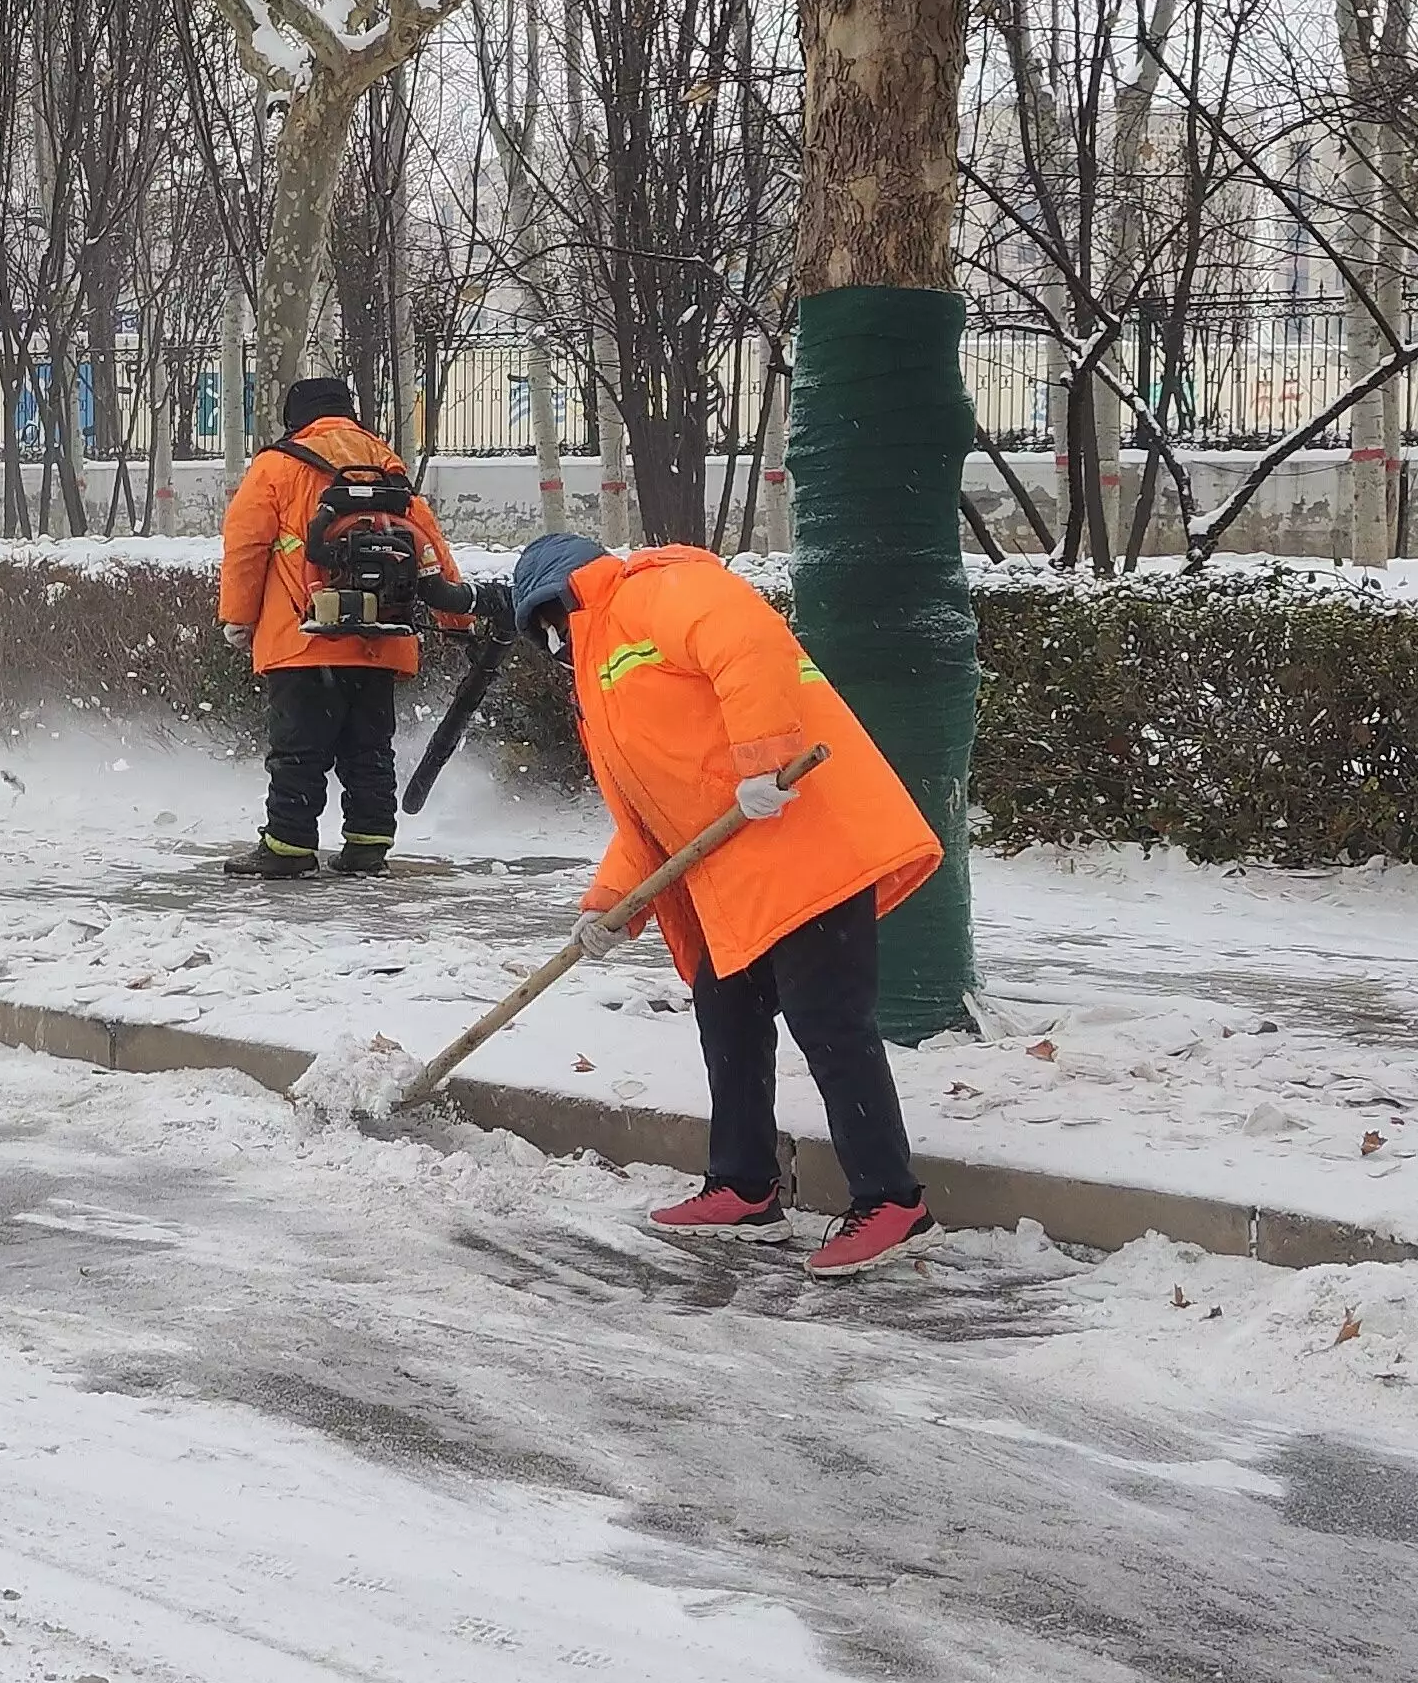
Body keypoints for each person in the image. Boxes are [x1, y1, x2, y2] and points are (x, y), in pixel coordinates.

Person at [504, 531, 942, 1279]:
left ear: (556, 600)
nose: (548, 644)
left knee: (828, 1022)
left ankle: (893, 1201)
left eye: (542, 624)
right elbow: (651, 820)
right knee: (726, 1014)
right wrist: (608, 907)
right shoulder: (599, 684)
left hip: (810, 845)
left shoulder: (653, 588)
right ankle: (743, 1186)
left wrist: (764, 757)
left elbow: (747, 642)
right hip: (739, 876)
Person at [216, 374, 466, 877]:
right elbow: (429, 546)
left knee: (298, 750)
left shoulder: (277, 467)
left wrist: (238, 619)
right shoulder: (386, 466)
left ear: (295, 418)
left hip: (305, 636)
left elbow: (245, 547)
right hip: (379, 636)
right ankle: (368, 844)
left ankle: (288, 847)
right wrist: (455, 616)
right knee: (369, 749)